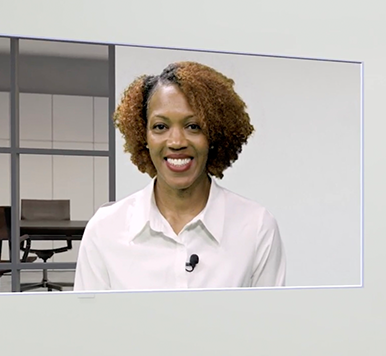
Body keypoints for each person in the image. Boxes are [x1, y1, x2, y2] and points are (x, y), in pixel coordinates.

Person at [74, 61, 286, 291]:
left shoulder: (256, 227)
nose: (176, 142)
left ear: (215, 135)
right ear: (143, 135)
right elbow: (88, 315)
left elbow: (270, 315)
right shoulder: (104, 230)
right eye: (160, 127)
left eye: (193, 126)